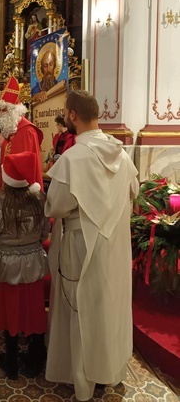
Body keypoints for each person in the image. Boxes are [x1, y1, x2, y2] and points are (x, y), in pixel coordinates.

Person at [44, 90, 139, 401]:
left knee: (80, 310)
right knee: (108, 307)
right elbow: (133, 193)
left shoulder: (74, 157)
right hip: (114, 247)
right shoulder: (121, 154)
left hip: (80, 244)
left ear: (72, 115)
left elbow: (56, 205)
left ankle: (83, 383)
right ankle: (109, 372)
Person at [0, 151, 49, 380]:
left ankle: (11, 361)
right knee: (33, 309)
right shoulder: (39, 199)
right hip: (32, 261)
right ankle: (36, 358)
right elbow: (44, 232)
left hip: (6, 264)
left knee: (10, 308)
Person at [0, 75, 43, 195]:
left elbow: (24, 163)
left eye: (4, 110)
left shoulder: (27, 130)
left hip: (19, 194)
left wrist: (4, 144)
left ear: (13, 111)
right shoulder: (5, 130)